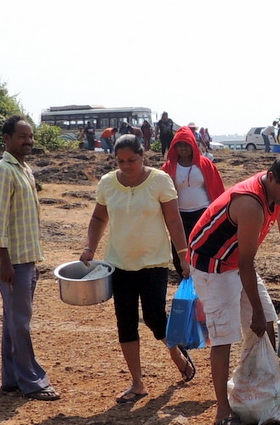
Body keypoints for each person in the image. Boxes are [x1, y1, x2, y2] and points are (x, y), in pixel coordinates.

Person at [188, 154, 280, 425]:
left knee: (266, 323)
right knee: (225, 336)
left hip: (236, 262)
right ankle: (222, 413)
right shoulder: (250, 204)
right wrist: (253, 310)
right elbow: (246, 263)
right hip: (214, 266)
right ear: (270, 177)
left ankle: (268, 396)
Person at [79, 135, 196, 404]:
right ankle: (137, 383)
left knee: (155, 318)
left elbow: (173, 219)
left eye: (131, 160)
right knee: (126, 322)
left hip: (153, 261)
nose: (126, 165)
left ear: (143, 156)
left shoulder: (159, 180)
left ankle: (177, 353)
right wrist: (89, 248)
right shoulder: (108, 183)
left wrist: (183, 255)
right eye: (120, 161)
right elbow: (99, 217)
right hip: (118, 263)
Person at [0, 116, 60, 401]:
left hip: (24, 258)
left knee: (12, 320)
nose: (28, 141)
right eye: (22, 136)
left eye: (30, 136)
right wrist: (5, 262)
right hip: (12, 261)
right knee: (20, 321)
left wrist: (32, 262)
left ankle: (11, 379)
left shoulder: (24, 169)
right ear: (7, 138)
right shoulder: (4, 171)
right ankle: (32, 381)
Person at [161, 126, 225, 276]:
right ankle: (185, 278)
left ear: (193, 145)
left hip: (203, 213)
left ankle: (204, 279)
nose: (183, 148)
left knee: (203, 248)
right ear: (174, 146)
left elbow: (217, 188)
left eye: (186, 144)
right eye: (180, 145)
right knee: (180, 250)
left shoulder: (205, 164)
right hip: (179, 216)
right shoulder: (168, 167)